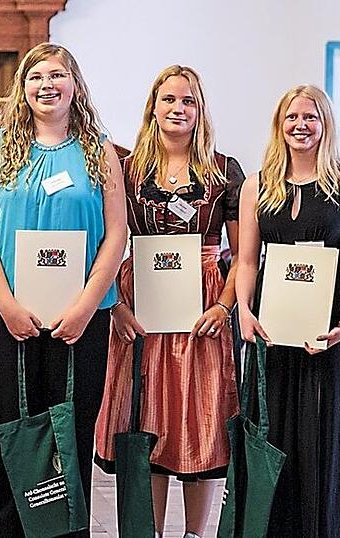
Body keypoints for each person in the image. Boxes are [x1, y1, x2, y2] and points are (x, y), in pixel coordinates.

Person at [0, 42, 126, 537]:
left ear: (75, 84)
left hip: (80, 320)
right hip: (7, 317)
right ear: (23, 88)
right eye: (35, 76)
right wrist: (8, 306)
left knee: (69, 434)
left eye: (57, 75)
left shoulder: (99, 150)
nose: (47, 85)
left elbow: (116, 235)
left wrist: (84, 307)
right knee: (13, 434)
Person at [92, 65, 243, 538]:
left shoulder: (224, 169)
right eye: (169, 100)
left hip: (203, 303)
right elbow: (109, 239)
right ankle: (149, 531)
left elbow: (242, 253)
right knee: (148, 415)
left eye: (189, 101)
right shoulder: (126, 167)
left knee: (203, 419)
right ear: (152, 107)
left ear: (201, 110)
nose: (178, 109)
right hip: (141, 302)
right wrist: (115, 304)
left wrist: (223, 306)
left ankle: (196, 534)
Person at [237, 84, 340, 537]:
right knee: (272, 443)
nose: (301, 125)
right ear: (279, 124)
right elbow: (247, 260)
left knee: (325, 447)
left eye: (310, 117)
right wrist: (242, 310)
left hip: (329, 334)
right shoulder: (258, 185)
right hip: (272, 334)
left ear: (325, 124)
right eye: (292, 117)